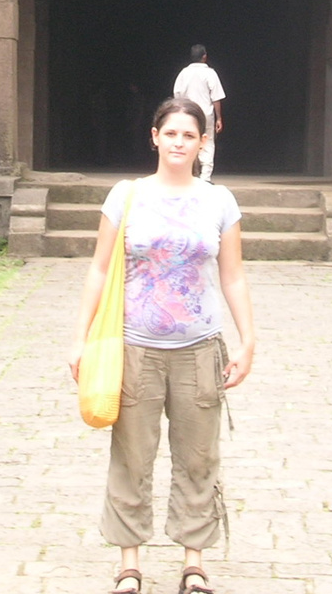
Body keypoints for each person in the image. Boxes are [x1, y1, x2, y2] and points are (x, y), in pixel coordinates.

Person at [69, 98, 256, 594]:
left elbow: (233, 276)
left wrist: (248, 339)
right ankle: (129, 562)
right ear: (154, 137)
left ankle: (193, 562)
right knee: (132, 454)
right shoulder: (126, 196)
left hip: (199, 348)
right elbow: (100, 268)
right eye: (170, 133)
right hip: (135, 347)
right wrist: (81, 338)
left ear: (202, 143)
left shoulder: (220, 202)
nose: (178, 143)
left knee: (198, 457)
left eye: (188, 136)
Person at [172, 46, 226, 182]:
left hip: (188, 114)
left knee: (187, 140)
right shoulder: (210, 73)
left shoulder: (183, 73)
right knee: (208, 142)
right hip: (206, 114)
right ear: (204, 56)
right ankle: (205, 177)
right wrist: (219, 118)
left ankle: (190, 173)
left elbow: (176, 96)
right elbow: (216, 97)